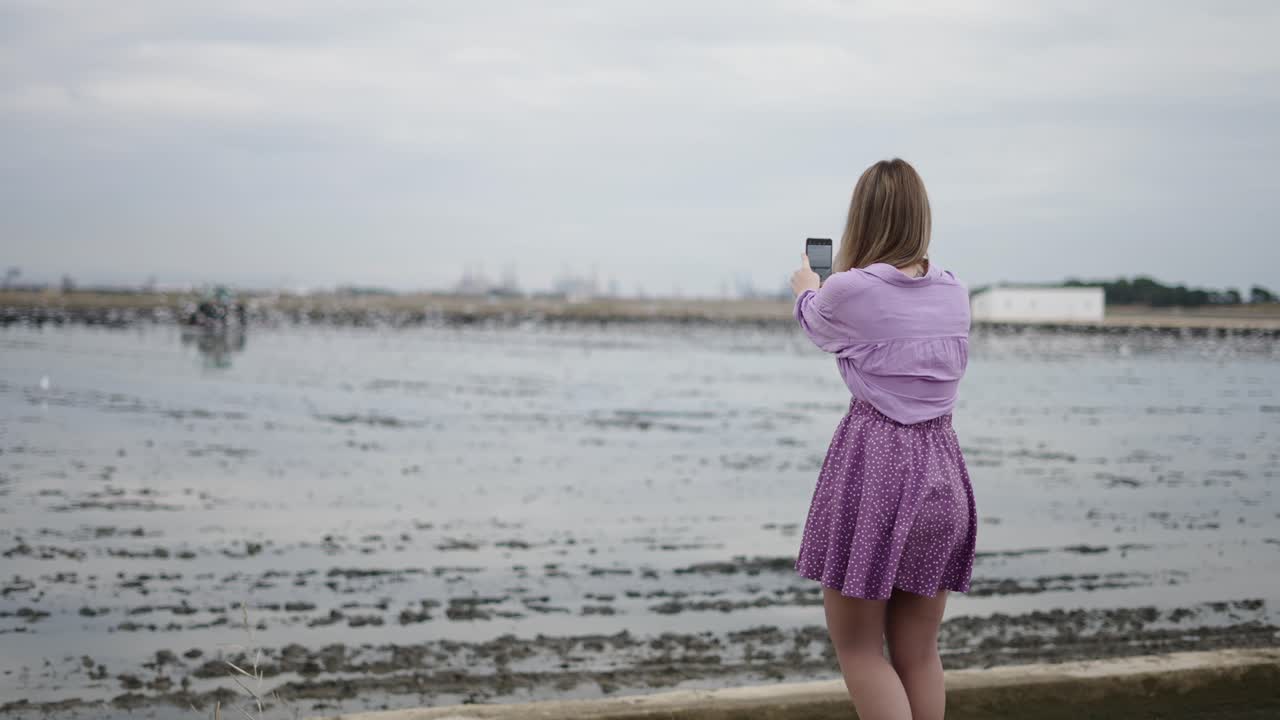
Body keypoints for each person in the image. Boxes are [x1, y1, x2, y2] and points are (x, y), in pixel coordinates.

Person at [789, 158, 976, 720]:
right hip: (943, 475)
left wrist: (806, 287)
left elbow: (816, 322)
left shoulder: (847, 289)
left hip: (877, 472)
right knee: (919, 652)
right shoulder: (955, 291)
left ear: (862, 219)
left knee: (860, 650)